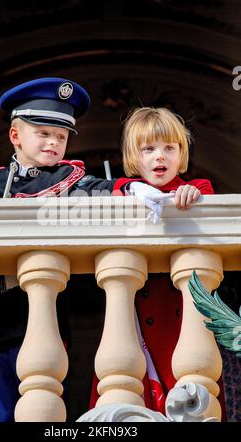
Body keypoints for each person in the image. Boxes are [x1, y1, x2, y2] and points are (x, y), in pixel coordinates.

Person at [0, 77, 116, 422]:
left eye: (62, 136)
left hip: (44, 320)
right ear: (15, 136)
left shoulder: (70, 178)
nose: (54, 143)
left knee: (41, 409)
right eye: (43, 133)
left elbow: (104, 190)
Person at [89, 106, 226, 417]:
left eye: (169, 148)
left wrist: (192, 194)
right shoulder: (123, 191)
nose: (159, 157)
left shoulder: (197, 188)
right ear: (134, 157)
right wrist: (125, 190)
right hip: (135, 318)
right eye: (148, 149)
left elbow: (205, 204)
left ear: (181, 153)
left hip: (179, 319)